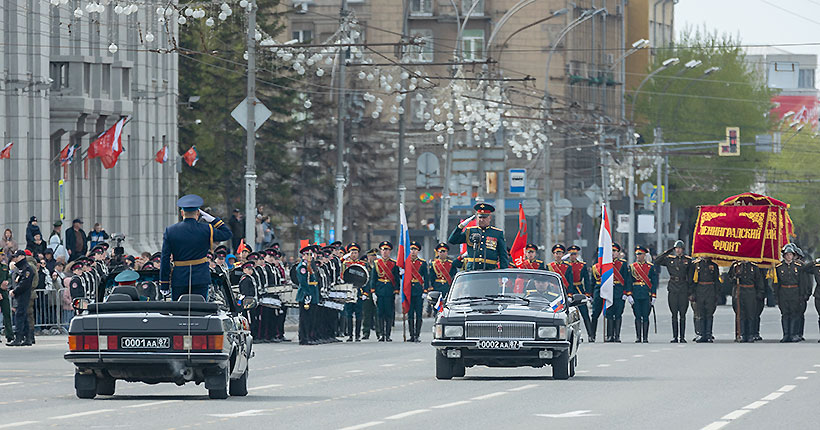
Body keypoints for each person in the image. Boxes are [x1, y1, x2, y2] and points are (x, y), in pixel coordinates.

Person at [159, 195, 232, 300]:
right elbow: (227, 234)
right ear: (198, 213)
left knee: (178, 312)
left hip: (180, 277)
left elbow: (165, 259)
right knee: (200, 310)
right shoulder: (207, 229)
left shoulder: (170, 231)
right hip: (200, 277)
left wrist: (164, 283)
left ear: (182, 213)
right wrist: (214, 220)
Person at [447, 203, 511, 270]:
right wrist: (460, 226)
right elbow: (452, 240)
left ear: (490, 218)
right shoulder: (470, 231)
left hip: (490, 270)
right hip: (472, 269)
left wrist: (503, 272)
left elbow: (502, 254)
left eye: (484, 217)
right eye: (480, 217)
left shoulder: (497, 233)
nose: (482, 220)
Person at [653, 240, 694, 343]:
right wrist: (668, 251)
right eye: (676, 248)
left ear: (683, 250)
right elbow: (657, 260)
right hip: (673, 288)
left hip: (683, 287)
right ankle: (675, 337)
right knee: (674, 314)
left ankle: (682, 337)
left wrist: (690, 292)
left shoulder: (688, 261)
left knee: (683, 314)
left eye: (680, 248)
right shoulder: (669, 260)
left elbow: (691, 277)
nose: (678, 250)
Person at [591, 243, 630, 343]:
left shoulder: (623, 264)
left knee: (618, 314)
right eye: (611, 251)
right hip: (607, 291)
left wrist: (626, 292)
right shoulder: (604, 264)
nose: (612, 253)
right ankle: (609, 335)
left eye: (614, 251)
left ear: (618, 253)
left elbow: (627, 279)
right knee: (609, 314)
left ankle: (617, 335)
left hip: (618, 291)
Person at [773, 244, 809, 343]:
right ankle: (786, 334)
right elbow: (776, 283)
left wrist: (803, 295)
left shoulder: (799, 266)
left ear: (793, 256)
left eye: (790, 255)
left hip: (795, 292)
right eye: (787, 255)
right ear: (784, 256)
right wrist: (776, 295)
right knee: (785, 314)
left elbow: (802, 282)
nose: (789, 256)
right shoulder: (778, 267)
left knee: (794, 314)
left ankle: (794, 334)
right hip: (784, 292)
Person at [726, 260, 765, 342]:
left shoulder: (754, 267)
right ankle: (742, 334)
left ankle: (750, 334)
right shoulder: (736, 266)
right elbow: (729, 279)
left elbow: (759, 280)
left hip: (750, 291)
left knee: (750, 314)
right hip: (739, 291)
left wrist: (760, 292)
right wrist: (735, 277)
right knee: (740, 314)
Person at [626, 246, 657, 343]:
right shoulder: (632, 267)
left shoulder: (650, 267)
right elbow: (629, 281)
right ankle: (638, 337)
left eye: (640, 254)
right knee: (637, 316)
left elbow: (654, 282)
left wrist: (653, 295)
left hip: (646, 294)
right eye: (637, 254)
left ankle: (645, 337)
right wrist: (629, 294)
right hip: (636, 294)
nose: (638, 256)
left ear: (644, 255)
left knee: (646, 316)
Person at [370, 241, 399, 342]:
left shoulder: (394, 264)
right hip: (380, 290)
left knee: (389, 314)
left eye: (386, 250)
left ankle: (388, 334)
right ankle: (381, 334)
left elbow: (396, 279)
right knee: (380, 313)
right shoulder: (377, 263)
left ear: (390, 251)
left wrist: (396, 292)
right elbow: (373, 278)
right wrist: (373, 292)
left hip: (390, 291)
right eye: (382, 250)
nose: (384, 252)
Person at [688, 255, 720, 343]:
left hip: (710, 290)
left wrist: (717, 293)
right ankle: (701, 334)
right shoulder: (695, 265)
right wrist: (691, 293)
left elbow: (717, 280)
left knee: (709, 313)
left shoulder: (714, 265)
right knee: (700, 313)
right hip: (699, 290)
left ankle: (708, 334)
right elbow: (691, 280)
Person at [8, 250, 35, 346]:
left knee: (20, 315)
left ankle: (18, 337)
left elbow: (24, 283)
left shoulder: (27, 269)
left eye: (17, 256)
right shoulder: (20, 268)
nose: (15, 259)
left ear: (22, 256)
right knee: (23, 316)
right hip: (19, 295)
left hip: (23, 295)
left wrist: (15, 291)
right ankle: (27, 338)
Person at [295, 245, 321, 345]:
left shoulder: (311, 266)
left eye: (311, 254)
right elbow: (303, 281)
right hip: (306, 294)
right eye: (307, 254)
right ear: (303, 255)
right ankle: (304, 338)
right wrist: (307, 294)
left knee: (311, 318)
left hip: (313, 294)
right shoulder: (302, 267)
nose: (310, 256)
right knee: (305, 318)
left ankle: (310, 336)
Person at [566, 245, 592, 341]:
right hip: (568, 290)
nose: (573, 256)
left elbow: (587, 281)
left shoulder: (582, 265)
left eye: (575, 254)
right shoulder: (566, 265)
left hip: (579, 289)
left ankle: (590, 335)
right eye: (571, 254)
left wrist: (588, 293)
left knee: (584, 313)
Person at [406, 241, 429, 343]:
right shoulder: (406, 262)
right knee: (410, 314)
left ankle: (417, 335)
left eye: (415, 249)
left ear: (418, 251)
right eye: (411, 249)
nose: (413, 251)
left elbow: (426, 278)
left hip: (419, 291)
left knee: (418, 314)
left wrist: (425, 290)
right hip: (409, 290)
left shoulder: (422, 263)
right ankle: (411, 335)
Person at [361, 248, 381, 340]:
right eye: (372, 255)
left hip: (377, 292)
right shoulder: (364, 266)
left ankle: (379, 332)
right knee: (367, 314)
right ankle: (366, 332)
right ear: (368, 256)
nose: (374, 257)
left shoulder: (378, 266)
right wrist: (364, 292)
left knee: (378, 314)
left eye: (375, 255)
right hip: (367, 292)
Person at [1, 250, 13, 344]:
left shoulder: (4, 267)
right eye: (1, 255)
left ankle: (9, 335)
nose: (2, 257)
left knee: (7, 314)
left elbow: (8, 276)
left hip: (4, 292)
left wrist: (7, 282)